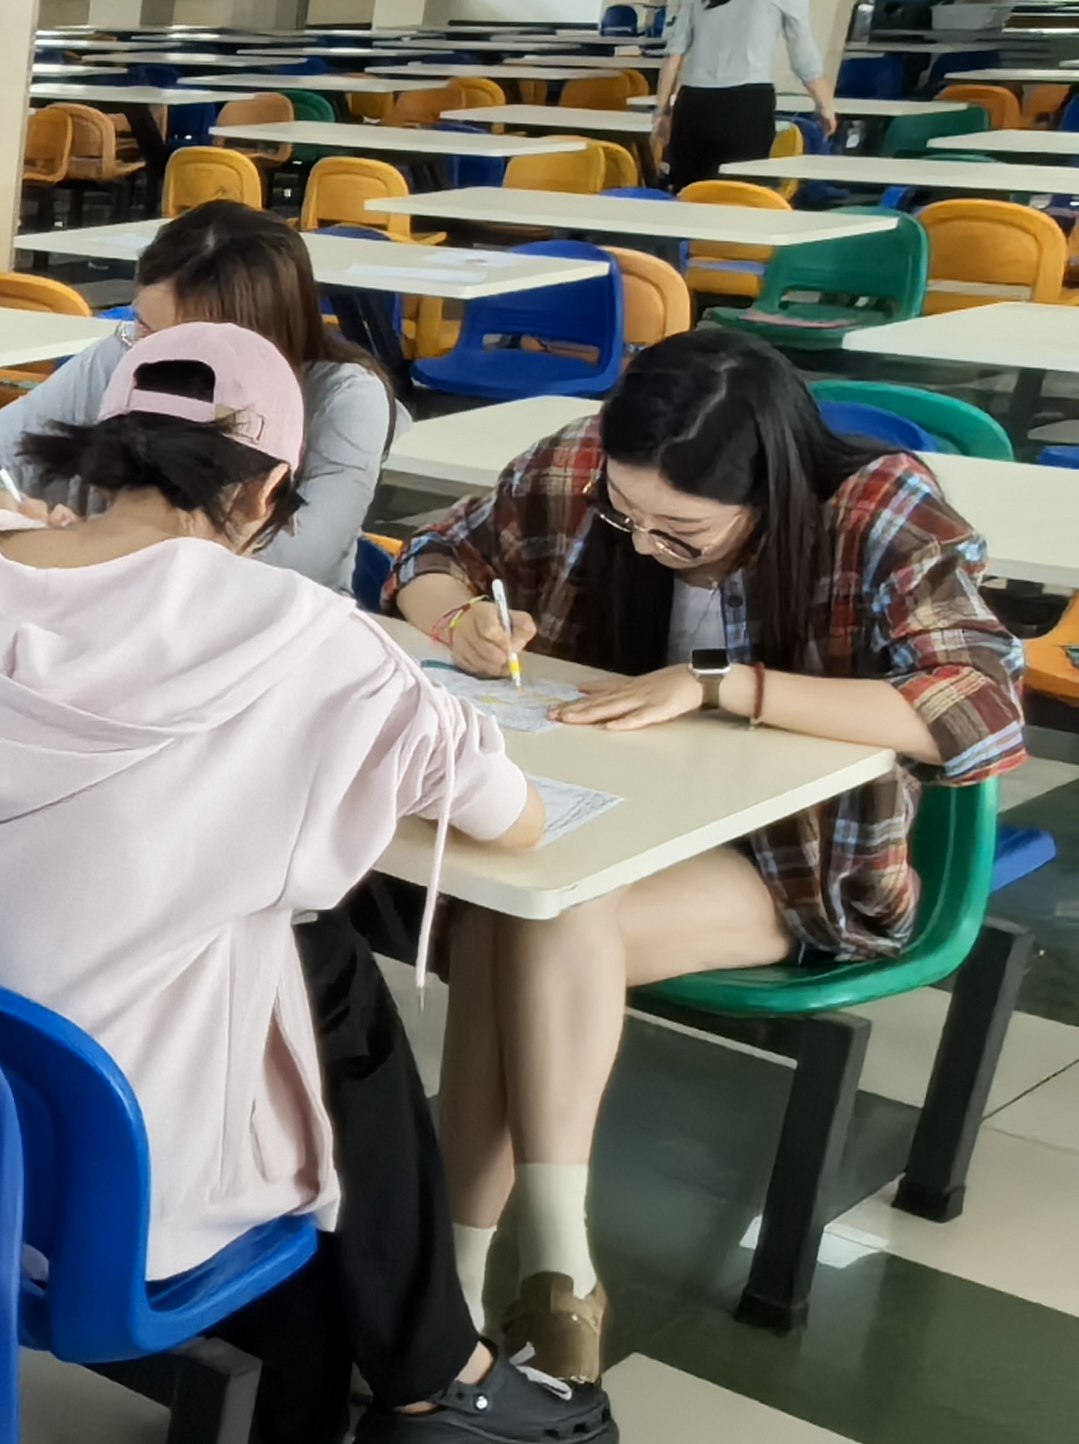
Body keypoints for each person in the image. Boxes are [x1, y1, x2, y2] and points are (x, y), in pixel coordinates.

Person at [0, 330, 600, 1444]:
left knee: (297, 966)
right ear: (265, 493)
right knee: (319, 981)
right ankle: (423, 1379)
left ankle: (423, 1370)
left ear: (103, 450)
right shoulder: (298, 633)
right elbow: (506, 816)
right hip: (117, 1154)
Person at [395, 334, 1025, 1383]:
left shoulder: (872, 508)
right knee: (521, 908)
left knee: (536, 915)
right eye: (626, 518)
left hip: (795, 860)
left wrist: (721, 682)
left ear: (766, 493)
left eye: (681, 532)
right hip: (614, 816)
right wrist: (458, 617)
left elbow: (981, 707)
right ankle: (541, 1268)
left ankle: (482, 1271)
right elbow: (427, 558)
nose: (644, 546)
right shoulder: (581, 464)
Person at [0, 201, 399, 589]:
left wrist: (90, 545)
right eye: (144, 326)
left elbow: (301, 563)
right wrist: (8, 515)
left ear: (256, 343)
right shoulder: (125, 355)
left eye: (181, 343)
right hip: (104, 616)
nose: (150, 358)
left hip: (265, 641)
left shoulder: (345, 398)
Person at [651, 0, 840, 188]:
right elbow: (804, 60)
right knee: (738, 195)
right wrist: (824, 106)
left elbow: (674, 56)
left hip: (693, 106)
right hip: (745, 106)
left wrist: (662, 113)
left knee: (689, 193)